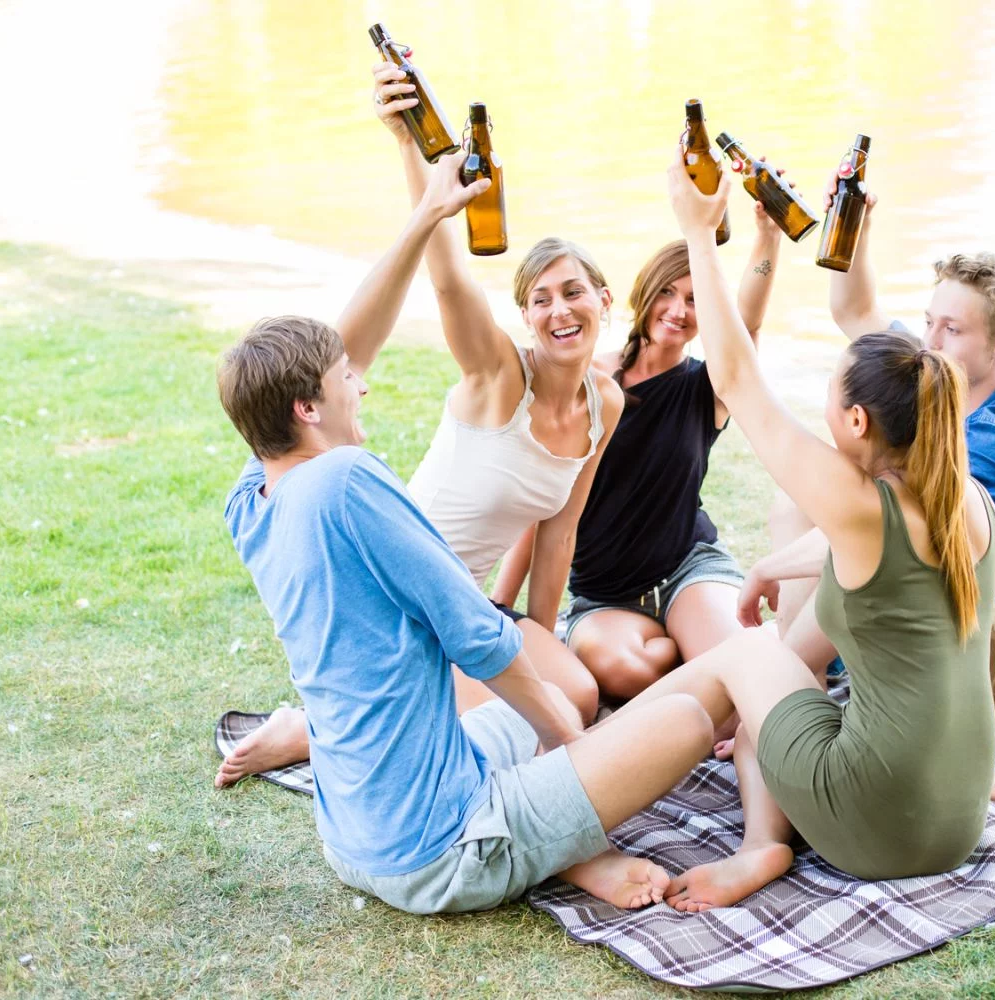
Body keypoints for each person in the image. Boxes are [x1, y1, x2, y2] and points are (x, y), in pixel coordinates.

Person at [214, 160, 715, 914]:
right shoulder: (349, 479)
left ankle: (541, 809)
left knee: (562, 698)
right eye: (347, 379)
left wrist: (423, 214)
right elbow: (478, 635)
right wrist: (568, 742)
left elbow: (550, 543)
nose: (365, 383)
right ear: (308, 408)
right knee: (674, 720)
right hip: (441, 846)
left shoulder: (252, 499)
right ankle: (574, 849)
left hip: (354, 833)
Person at [597, 153, 995, 912]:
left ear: (855, 421)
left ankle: (721, 829)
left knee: (750, 656)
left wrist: (696, 230)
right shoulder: (969, 503)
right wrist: (766, 570)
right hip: (956, 821)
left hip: (873, 830)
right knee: (774, 677)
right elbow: (861, 557)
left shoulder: (858, 508)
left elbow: (738, 380)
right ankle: (718, 798)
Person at [212, 63, 621, 785]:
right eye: (542, 299)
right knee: (562, 705)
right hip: (409, 606)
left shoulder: (604, 403)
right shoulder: (500, 375)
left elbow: (558, 534)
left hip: (472, 602)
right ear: (524, 317)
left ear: (604, 299)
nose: (560, 311)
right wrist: (416, 164)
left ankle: (328, 725)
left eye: (574, 293)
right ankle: (310, 731)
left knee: (579, 689)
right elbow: (447, 281)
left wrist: (539, 632)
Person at [752, 167, 995, 721]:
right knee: (799, 505)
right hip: (960, 621)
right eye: (930, 322)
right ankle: (797, 675)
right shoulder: (939, 380)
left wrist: (770, 569)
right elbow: (854, 312)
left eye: (951, 331)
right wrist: (857, 230)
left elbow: (888, 529)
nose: (928, 342)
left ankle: (779, 682)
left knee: (864, 548)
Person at [494, 200, 787, 701]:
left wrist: (767, 238)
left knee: (745, 667)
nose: (677, 310)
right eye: (667, 293)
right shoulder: (589, 383)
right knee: (628, 672)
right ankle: (695, 660)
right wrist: (501, 604)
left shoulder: (709, 386)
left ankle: (704, 650)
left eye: (695, 300)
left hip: (687, 570)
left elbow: (747, 324)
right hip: (604, 597)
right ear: (643, 294)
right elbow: (542, 508)